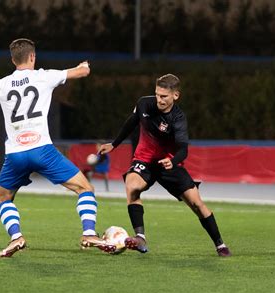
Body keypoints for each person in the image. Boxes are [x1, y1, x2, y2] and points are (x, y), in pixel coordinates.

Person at [0, 38, 114, 257]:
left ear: (12, 59)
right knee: (85, 189)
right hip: (43, 151)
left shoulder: (1, 85)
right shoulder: (45, 76)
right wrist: (84, 66)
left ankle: (16, 237)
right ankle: (89, 234)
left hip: (15, 155)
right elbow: (81, 73)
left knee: (4, 198)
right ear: (32, 57)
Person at [99, 74, 231, 257]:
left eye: (164, 96)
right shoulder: (145, 103)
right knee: (132, 186)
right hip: (144, 160)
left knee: (196, 203)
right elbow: (132, 121)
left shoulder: (178, 118)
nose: (159, 100)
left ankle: (220, 244)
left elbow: (184, 150)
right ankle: (140, 238)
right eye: (157, 94)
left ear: (175, 95)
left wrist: (173, 161)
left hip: (169, 163)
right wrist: (114, 144)